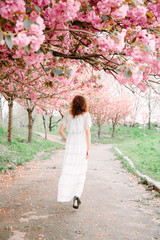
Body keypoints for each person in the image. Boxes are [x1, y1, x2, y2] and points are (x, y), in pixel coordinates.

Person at [57, 95, 91, 209]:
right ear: (83, 104)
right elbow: (87, 133)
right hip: (81, 145)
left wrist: (67, 140)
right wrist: (88, 149)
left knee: (69, 170)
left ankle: (66, 194)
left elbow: (61, 131)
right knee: (80, 171)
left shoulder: (68, 115)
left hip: (70, 146)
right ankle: (76, 196)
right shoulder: (86, 115)